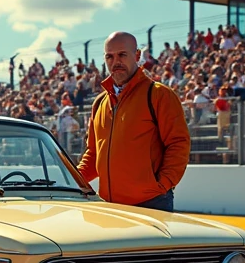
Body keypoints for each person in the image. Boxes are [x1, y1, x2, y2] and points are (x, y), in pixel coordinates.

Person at [77, 31, 191, 211]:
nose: (116, 62)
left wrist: (161, 185)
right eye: (110, 56)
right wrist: (72, 180)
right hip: (110, 206)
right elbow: (93, 154)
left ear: (137, 55)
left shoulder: (159, 95)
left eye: (122, 54)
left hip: (151, 204)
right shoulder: (99, 103)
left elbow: (178, 144)